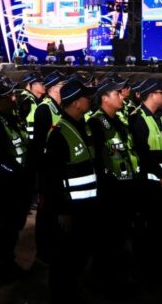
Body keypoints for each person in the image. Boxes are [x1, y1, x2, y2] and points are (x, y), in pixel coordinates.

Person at [43, 78, 98, 303]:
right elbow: (52, 177)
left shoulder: (82, 126)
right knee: (64, 254)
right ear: (75, 102)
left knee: (79, 251)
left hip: (86, 205)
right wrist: (62, 210)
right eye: (86, 97)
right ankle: (61, 294)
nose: (90, 100)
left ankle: (72, 288)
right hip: (71, 208)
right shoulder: (59, 132)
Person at [86, 77, 140, 287]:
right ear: (104, 98)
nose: (122, 97)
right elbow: (96, 160)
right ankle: (105, 279)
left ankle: (118, 275)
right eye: (117, 93)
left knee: (121, 235)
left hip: (125, 187)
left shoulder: (119, 121)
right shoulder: (95, 123)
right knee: (107, 237)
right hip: (108, 191)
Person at [0, 77, 29, 284]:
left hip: (20, 181)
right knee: (6, 227)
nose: (14, 98)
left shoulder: (14, 117)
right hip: (7, 183)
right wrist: (14, 172)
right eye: (9, 95)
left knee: (14, 226)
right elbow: (1, 155)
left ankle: (8, 262)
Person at [129, 78, 162, 275]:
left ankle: (160, 261)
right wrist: (161, 174)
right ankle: (146, 266)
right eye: (161, 93)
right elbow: (142, 152)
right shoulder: (138, 118)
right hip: (148, 183)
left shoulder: (161, 116)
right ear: (151, 94)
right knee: (147, 225)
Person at [31, 70, 65, 265]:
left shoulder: (60, 108)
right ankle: (42, 253)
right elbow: (38, 144)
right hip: (48, 170)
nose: (64, 89)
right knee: (46, 213)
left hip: (59, 169)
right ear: (52, 89)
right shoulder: (44, 109)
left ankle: (54, 248)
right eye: (61, 86)